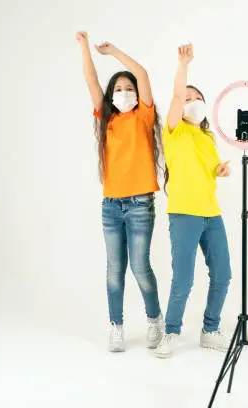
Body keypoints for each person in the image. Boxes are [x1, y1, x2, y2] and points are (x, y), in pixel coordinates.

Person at [76, 31, 164, 352]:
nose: (125, 92)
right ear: (112, 96)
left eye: (129, 89)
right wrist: (85, 46)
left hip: (141, 204)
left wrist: (114, 52)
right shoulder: (107, 119)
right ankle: (116, 326)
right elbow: (90, 79)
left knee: (140, 267)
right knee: (115, 270)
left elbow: (141, 73)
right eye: (119, 89)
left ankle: (155, 320)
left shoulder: (143, 116)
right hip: (111, 206)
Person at [154, 43, 232, 359]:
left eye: (195, 97)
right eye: (185, 98)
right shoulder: (172, 131)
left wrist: (221, 169)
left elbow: (211, 166)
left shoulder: (208, 137)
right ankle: (171, 333)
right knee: (183, 279)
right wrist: (183, 66)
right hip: (184, 214)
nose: (190, 101)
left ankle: (209, 330)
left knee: (223, 274)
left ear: (204, 104)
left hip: (211, 214)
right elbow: (175, 98)